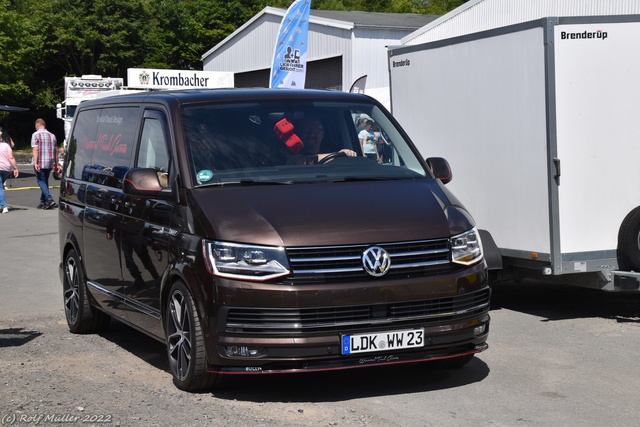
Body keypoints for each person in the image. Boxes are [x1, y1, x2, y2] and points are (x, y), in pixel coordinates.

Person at [289, 116, 357, 165]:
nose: (311, 134)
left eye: (316, 130)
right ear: (300, 134)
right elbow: (303, 161)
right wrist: (340, 155)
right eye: (306, 130)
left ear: (322, 134)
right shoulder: (293, 155)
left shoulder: (330, 151)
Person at [31, 118, 59, 209]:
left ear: (37, 125)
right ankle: (43, 202)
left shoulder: (35, 135)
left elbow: (35, 149)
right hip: (50, 162)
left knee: (41, 181)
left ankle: (49, 199)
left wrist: (35, 162)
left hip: (40, 162)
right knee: (45, 181)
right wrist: (56, 164)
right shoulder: (52, 136)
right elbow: (55, 151)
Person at [0, 134, 19, 213]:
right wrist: (15, 168)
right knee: (1, 186)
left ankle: (4, 206)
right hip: (6, 169)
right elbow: (11, 157)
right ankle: (3, 205)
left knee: (0, 187)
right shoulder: (6, 146)